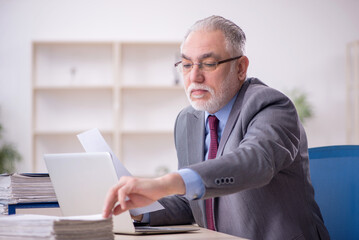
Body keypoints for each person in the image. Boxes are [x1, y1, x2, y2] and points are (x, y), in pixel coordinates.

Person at [103, 15, 330, 240]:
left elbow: (254, 162)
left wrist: (164, 183)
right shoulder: (187, 120)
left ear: (241, 68)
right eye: (186, 64)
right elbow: (192, 202)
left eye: (209, 64)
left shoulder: (271, 106)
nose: (194, 76)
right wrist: (138, 210)